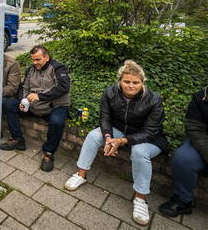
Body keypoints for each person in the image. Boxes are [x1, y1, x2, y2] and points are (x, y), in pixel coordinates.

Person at [64, 60, 168, 226]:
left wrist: (121, 141)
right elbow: (105, 118)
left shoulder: (153, 100)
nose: (131, 86)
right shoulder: (110, 93)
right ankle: (81, 174)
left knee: (140, 153)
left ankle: (140, 199)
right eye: (127, 82)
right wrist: (108, 138)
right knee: (93, 136)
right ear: (120, 81)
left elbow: (150, 131)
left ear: (142, 82)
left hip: (148, 138)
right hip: (119, 130)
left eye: (136, 82)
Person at [1, 45, 71, 172]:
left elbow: (63, 87)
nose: (35, 63)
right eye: (33, 60)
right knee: (7, 104)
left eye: (38, 60)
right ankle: (18, 139)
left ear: (47, 57)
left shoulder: (58, 68)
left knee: (57, 122)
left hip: (54, 106)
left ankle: (49, 153)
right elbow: (24, 87)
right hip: (33, 106)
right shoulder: (31, 69)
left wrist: (40, 96)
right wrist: (23, 101)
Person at [159, 86, 208, 217]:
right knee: (182, 158)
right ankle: (183, 200)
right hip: (204, 141)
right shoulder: (200, 97)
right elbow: (194, 128)